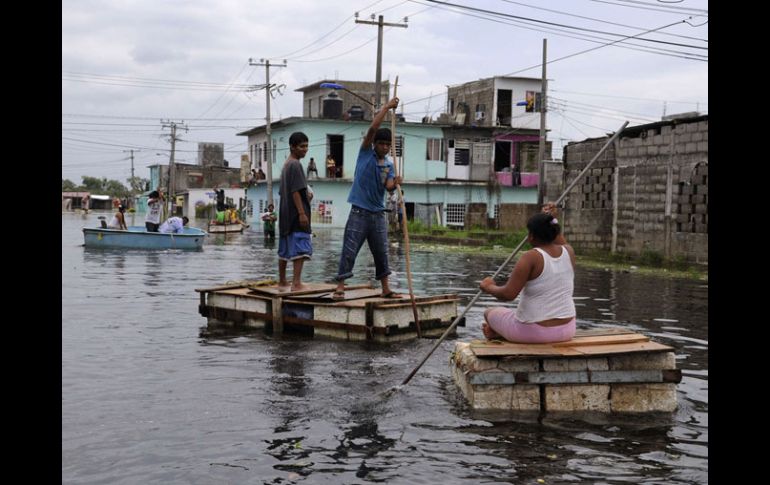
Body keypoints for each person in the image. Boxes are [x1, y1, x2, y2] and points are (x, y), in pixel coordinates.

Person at [332, 97, 402, 300]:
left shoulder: (388, 165)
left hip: (377, 214)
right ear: (375, 145)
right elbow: (372, 129)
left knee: (382, 253)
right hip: (359, 212)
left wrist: (396, 182)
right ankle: (340, 286)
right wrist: (387, 107)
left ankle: (386, 289)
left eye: (387, 145)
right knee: (349, 249)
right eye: (381, 144)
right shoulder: (365, 154)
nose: (384, 147)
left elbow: (388, 188)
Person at [478, 202, 576, 344]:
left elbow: (508, 294)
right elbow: (557, 237)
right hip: (567, 330)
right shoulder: (569, 251)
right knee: (510, 316)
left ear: (531, 236)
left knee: (489, 312)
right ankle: (498, 332)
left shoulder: (530, 257)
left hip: (534, 333)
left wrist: (488, 287)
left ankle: (497, 331)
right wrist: (549, 219)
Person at [277, 132, 313, 291]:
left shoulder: (286, 165)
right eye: (301, 146)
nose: (305, 149)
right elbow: (295, 191)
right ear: (292, 147)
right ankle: (296, 283)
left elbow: (285, 191)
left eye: (306, 146)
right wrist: (302, 213)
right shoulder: (296, 165)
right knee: (300, 246)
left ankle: (283, 281)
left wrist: (306, 197)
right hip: (296, 214)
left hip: (285, 214)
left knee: (285, 248)